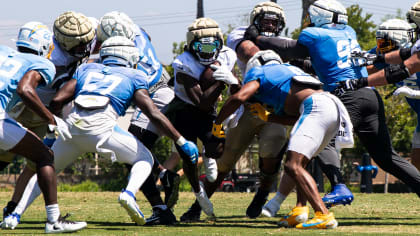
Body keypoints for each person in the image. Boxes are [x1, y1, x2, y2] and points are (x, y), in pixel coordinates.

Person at [2, 36, 200, 226]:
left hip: (72, 128)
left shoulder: (87, 69)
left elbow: (57, 101)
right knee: (145, 159)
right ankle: (129, 194)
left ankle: (15, 215)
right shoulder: (135, 75)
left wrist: (55, 124)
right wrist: (180, 140)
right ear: (129, 56)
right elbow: (153, 113)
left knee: (45, 170)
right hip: (103, 129)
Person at [245, 0, 420, 202]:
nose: (308, 21)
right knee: (387, 158)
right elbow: (330, 61)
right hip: (370, 96)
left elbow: (291, 48)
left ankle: (338, 186)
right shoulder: (349, 32)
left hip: (346, 95)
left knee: (321, 139)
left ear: (319, 16)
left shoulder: (313, 34)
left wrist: (258, 38)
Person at [213, 49, 350, 229]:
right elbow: (296, 118)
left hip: (315, 107)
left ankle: (324, 215)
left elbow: (239, 97)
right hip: (331, 106)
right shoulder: (290, 71)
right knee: (300, 164)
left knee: (292, 165)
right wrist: (269, 118)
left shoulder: (258, 72)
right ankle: (300, 210)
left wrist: (217, 123)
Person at [180, 1, 289, 222]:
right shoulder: (242, 35)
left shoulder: (285, 43)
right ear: (254, 21)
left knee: (271, 151)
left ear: (281, 25)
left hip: (274, 108)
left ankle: (261, 194)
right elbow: (249, 51)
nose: (269, 25)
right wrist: (273, 54)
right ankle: (198, 205)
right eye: (265, 20)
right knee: (224, 159)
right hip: (247, 104)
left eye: (273, 22)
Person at [1, 11, 97, 227]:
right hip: (29, 108)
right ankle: (53, 221)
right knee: (43, 156)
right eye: (79, 44)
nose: (84, 47)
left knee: (31, 159)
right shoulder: (48, 62)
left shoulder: (4, 51)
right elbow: (26, 90)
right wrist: (53, 119)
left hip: (20, 110)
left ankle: (14, 208)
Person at [95, 11, 182, 225]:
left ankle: (160, 207)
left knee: (133, 154)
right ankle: (163, 180)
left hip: (151, 93)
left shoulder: (118, 48)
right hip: (160, 87)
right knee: (136, 152)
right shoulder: (139, 32)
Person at [167, 17, 237, 219]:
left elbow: (237, 89)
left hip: (209, 113)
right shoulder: (183, 62)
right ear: (191, 45)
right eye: (201, 46)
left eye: (212, 46)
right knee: (188, 157)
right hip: (184, 111)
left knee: (218, 148)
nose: (207, 52)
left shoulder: (226, 55)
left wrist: (232, 80)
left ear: (220, 43)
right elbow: (201, 103)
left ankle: (207, 154)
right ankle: (198, 191)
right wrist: (221, 83)